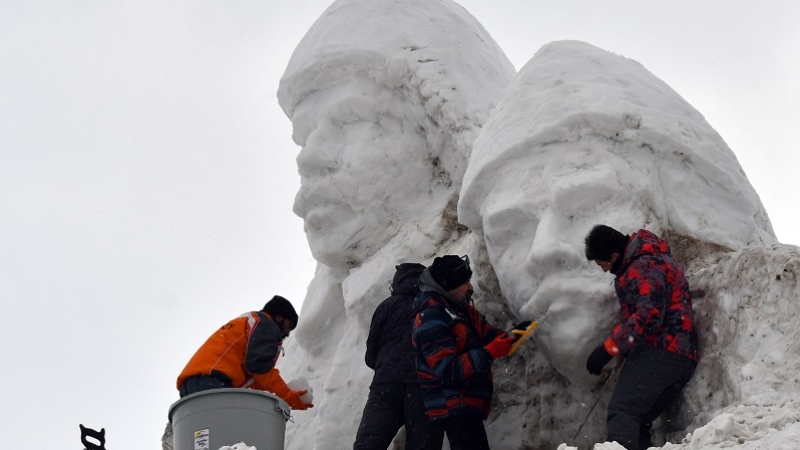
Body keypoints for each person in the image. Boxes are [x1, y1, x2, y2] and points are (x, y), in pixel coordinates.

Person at [583, 225, 698, 450]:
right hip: (679, 353)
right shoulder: (649, 260)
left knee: (623, 411)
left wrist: (609, 348)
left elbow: (649, 315)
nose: (605, 270)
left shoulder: (643, 266)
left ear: (614, 255)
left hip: (664, 349)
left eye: (603, 264)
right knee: (639, 418)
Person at [412, 255, 519, 450]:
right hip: (452, 404)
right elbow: (447, 370)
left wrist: (511, 337)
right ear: (448, 286)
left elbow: (486, 334)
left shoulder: (460, 310)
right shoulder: (430, 318)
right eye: (465, 283)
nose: (470, 287)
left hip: (465, 403)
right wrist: (489, 352)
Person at [353, 263, 444, 450]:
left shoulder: (386, 306)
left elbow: (371, 354)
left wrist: (389, 366)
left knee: (369, 442)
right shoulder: (435, 304)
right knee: (423, 445)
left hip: (386, 386)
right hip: (425, 386)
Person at [176, 295, 313, 410]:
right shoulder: (265, 324)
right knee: (223, 434)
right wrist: (287, 396)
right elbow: (259, 367)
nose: (287, 333)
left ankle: (178, 435)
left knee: (203, 434)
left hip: (192, 385)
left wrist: (276, 392)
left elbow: (253, 374)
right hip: (213, 382)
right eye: (289, 326)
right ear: (278, 317)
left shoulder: (247, 322)